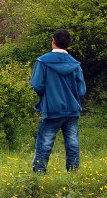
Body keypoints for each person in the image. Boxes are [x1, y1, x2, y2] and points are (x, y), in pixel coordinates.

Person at [30, 28, 87, 173]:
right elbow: (82, 91)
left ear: (53, 41)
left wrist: (48, 96)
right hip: (72, 110)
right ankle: (74, 174)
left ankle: (39, 175)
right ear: (68, 44)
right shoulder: (75, 64)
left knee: (45, 144)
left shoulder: (43, 61)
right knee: (73, 144)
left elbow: (37, 85)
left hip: (52, 110)